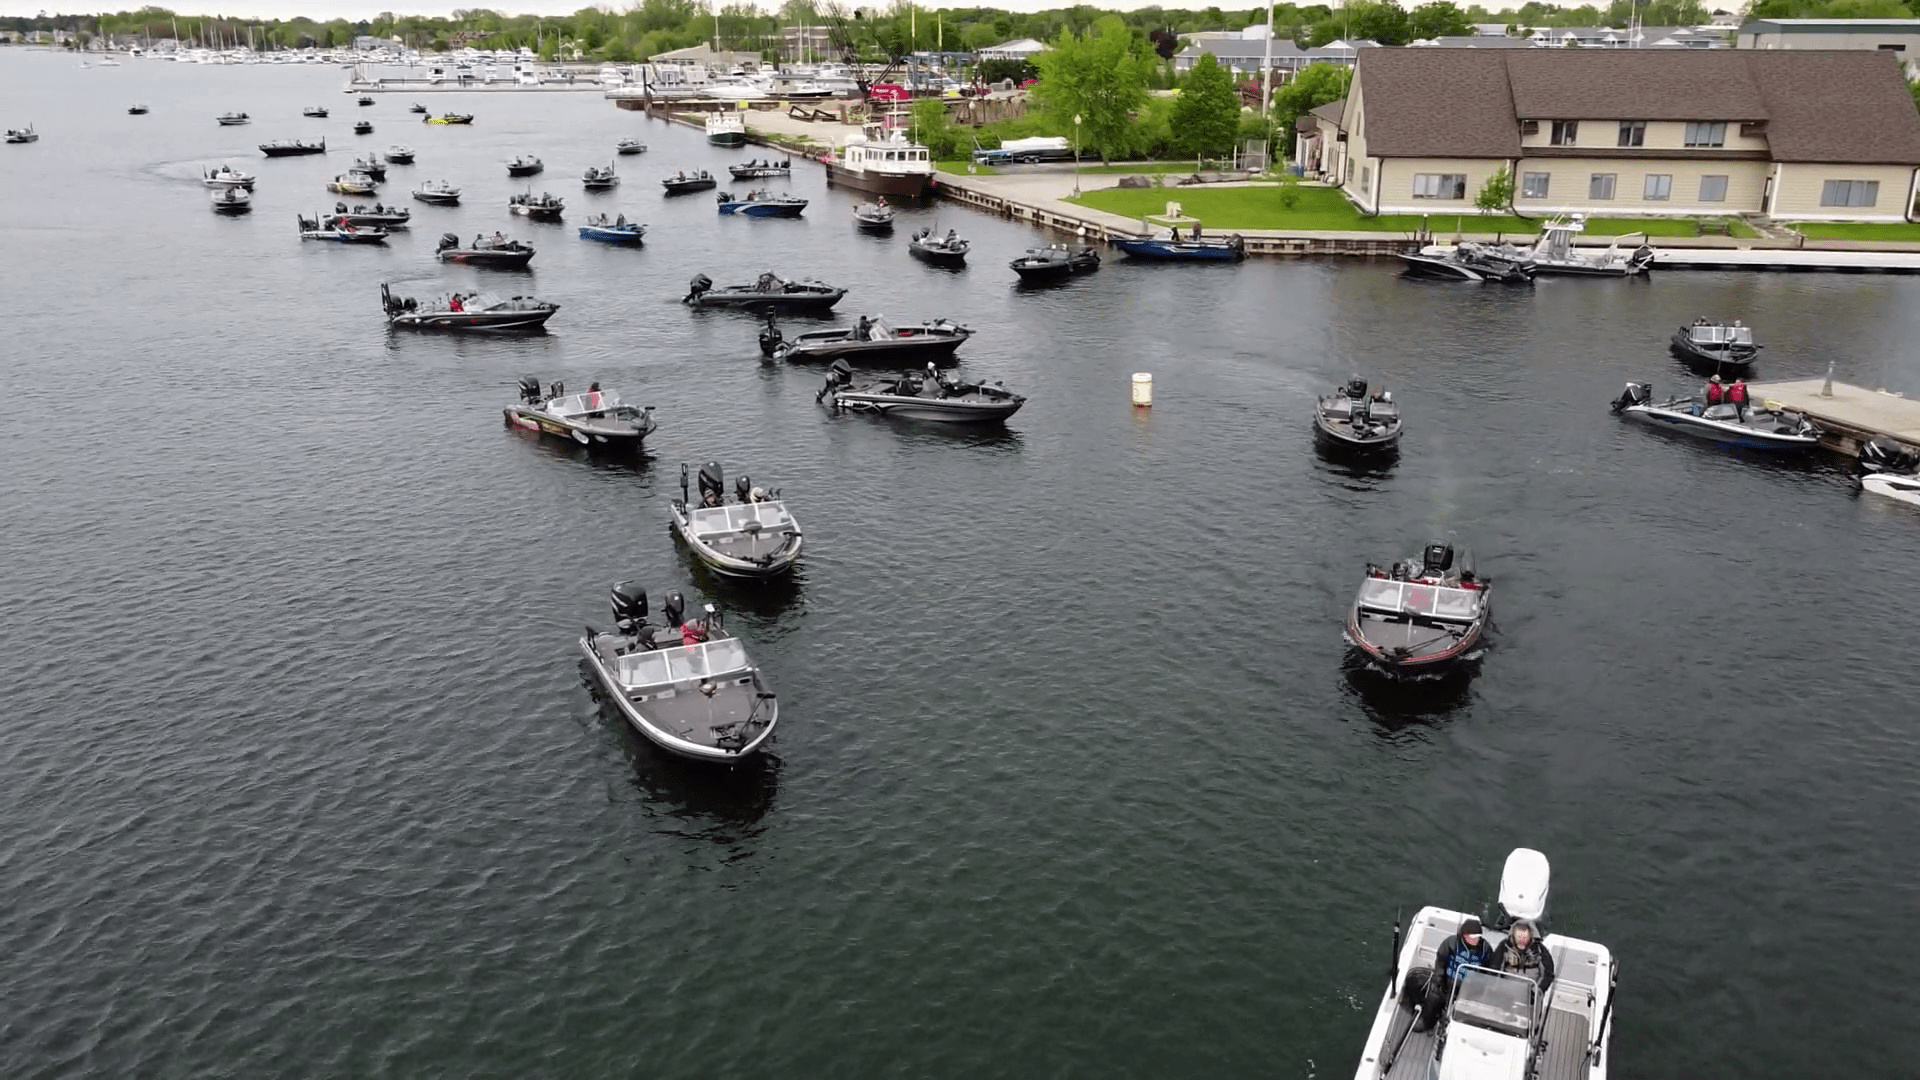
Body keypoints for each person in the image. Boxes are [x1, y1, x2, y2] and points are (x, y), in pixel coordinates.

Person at [1415, 916, 1493, 1032]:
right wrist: (1439, 978)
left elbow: (1488, 970)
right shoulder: (1451, 943)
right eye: (1471, 937)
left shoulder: (1485, 949)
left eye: (1478, 937)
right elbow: (1441, 961)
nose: (1475, 940)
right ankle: (1427, 1022)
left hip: (1470, 988)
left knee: (1470, 1010)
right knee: (1434, 998)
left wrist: (1481, 988)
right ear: (1464, 935)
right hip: (1448, 982)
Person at [1489, 919, 1555, 994]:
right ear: (1514, 936)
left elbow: (1547, 974)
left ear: (1530, 936)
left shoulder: (1540, 950)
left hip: (1530, 993)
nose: (1521, 940)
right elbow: (1494, 968)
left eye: (1524, 938)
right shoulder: (1504, 946)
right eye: (1519, 937)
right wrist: (1496, 989)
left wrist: (1535, 992)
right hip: (1506, 991)